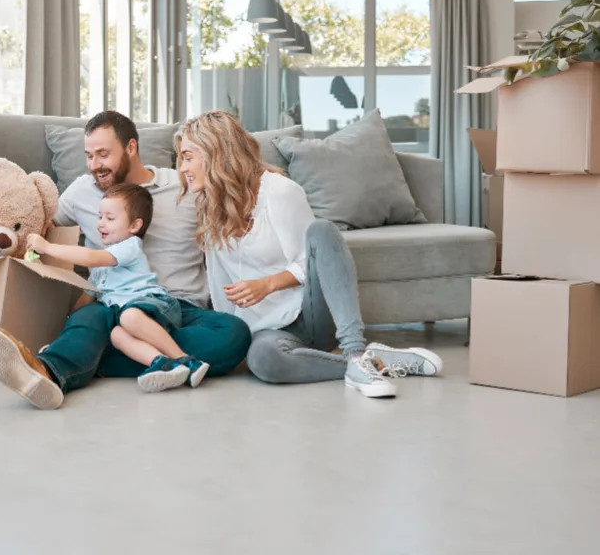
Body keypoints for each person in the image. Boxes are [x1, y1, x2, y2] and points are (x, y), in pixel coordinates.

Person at [0, 111, 251, 410]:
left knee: (235, 334)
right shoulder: (81, 191)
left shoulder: (183, 186)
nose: (94, 166)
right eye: (89, 156)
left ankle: (89, 358)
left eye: (103, 155)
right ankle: (47, 372)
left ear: (131, 148)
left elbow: (236, 210)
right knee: (89, 317)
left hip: (179, 308)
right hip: (113, 306)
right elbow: (39, 226)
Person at [175, 111, 443, 399]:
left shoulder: (278, 192)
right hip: (269, 330)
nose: (182, 168)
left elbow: (313, 258)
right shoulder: (209, 205)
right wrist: (231, 336)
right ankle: (369, 364)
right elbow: (219, 281)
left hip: (310, 312)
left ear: (216, 153)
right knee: (264, 362)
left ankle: (354, 350)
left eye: (188, 157)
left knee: (322, 231)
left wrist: (268, 284)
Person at [23, 183, 210, 393]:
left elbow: (91, 257)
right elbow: (87, 298)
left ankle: (186, 360)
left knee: (128, 317)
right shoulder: (102, 268)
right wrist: (64, 330)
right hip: (127, 315)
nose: (101, 224)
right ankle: (164, 364)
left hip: (154, 304)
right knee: (116, 336)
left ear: (134, 226)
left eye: (110, 219)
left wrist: (47, 247)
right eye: (100, 217)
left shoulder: (128, 247)